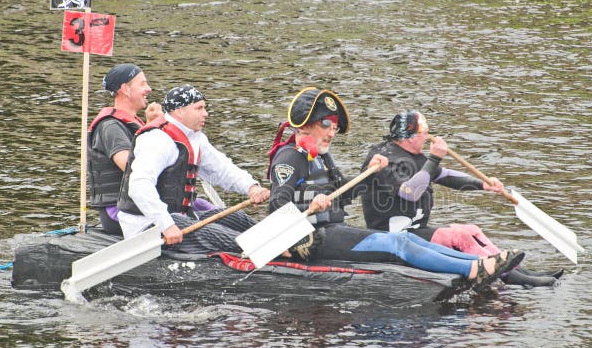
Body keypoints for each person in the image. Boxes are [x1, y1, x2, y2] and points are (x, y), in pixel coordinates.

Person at [266, 87, 524, 291]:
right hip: (309, 241)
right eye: (326, 125)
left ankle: (480, 265)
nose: (332, 133)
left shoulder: (323, 157)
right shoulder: (289, 158)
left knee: (409, 238)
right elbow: (278, 204)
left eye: (334, 127)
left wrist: (370, 175)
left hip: (332, 230)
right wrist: (313, 205)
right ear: (305, 124)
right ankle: (474, 270)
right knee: (398, 242)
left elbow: (344, 196)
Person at [360, 110, 563, 288]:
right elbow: (409, 193)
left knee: (472, 230)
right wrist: (434, 158)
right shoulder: (384, 158)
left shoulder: (415, 154)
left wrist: (483, 184)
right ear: (410, 137)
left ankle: (520, 273)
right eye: (425, 133)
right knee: (459, 236)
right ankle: (510, 277)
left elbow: (445, 175)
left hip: (415, 230)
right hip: (394, 236)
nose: (429, 137)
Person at [117, 84, 269, 255]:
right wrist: (166, 224)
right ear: (180, 111)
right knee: (229, 239)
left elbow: (222, 169)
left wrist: (251, 187)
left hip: (181, 219)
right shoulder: (157, 140)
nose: (205, 113)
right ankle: (273, 253)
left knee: (237, 219)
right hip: (147, 225)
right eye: (199, 108)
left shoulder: (196, 138)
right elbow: (139, 185)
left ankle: (283, 246)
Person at [87, 63, 163, 234]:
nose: (149, 89)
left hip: (141, 204)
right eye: (142, 84)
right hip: (119, 212)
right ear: (125, 89)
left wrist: (152, 125)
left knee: (201, 206)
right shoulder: (110, 127)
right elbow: (134, 168)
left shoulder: (133, 123)